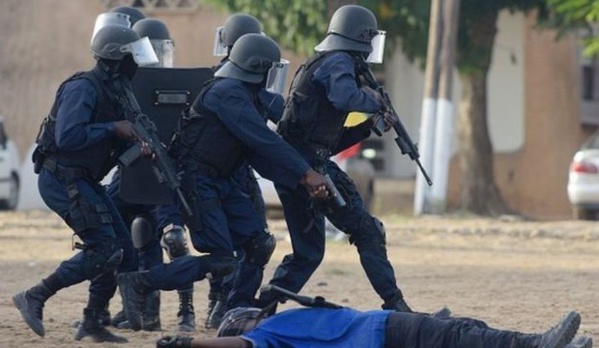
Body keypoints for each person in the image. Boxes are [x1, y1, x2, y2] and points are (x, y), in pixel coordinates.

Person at [117, 33, 330, 331]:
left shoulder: (247, 94)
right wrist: (306, 173)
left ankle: (235, 310)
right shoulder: (226, 92)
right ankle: (139, 282)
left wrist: (300, 179)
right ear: (257, 67)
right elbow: (263, 139)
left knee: (259, 244)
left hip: (222, 180)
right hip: (196, 180)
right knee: (222, 260)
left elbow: (258, 153)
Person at [257, 4, 412, 313]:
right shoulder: (337, 61)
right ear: (360, 37)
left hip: (302, 164)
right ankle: (396, 307)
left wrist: (369, 127)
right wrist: (375, 100)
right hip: (306, 169)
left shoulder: (327, 63)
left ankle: (260, 309)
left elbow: (326, 142)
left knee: (308, 254)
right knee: (367, 231)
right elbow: (345, 97)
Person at [12, 25, 158, 343]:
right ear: (116, 59)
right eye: (132, 57)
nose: (137, 64)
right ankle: (35, 295)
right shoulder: (83, 88)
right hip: (59, 178)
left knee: (123, 252)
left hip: (85, 180)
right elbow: (69, 137)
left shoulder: (117, 89)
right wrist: (113, 128)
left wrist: (137, 146)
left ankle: (92, 322)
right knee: (104, 249)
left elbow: (113, 145)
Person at [203, 12, 286, 330]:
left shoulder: (225, 81)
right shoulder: (222, 84)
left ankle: (226, 303)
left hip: (236, 172)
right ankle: (223, 303)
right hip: (221, 175)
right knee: (231, 245)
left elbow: (282, 115)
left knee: (252, 243)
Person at [155, 305, 591, 348]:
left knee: (465, 329)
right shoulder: (265, 337)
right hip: (384, 332)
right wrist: (189, 342)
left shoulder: (278, 325)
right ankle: (535, 344)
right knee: (464, 337)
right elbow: (239, 346)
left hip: (384, 331)